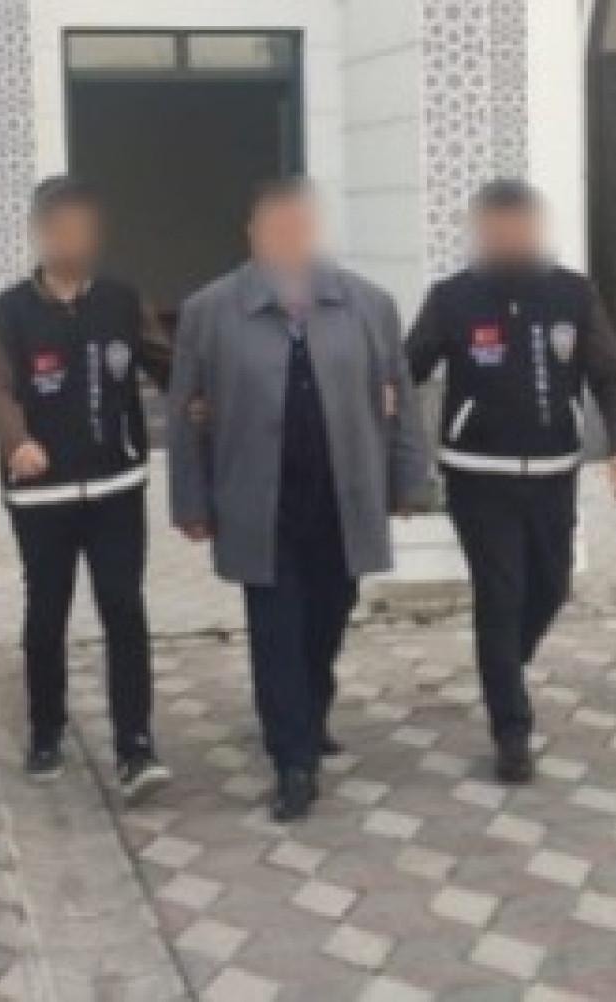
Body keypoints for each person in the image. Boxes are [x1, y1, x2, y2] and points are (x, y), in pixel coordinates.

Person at [170, 177, 429, 822]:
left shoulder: (368, 305)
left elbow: (401, 401)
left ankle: (310, 711)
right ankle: (292, 760)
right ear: (252, 234)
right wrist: (191, 500)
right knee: (275, 628)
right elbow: (184, 414)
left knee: (328, 616)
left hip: (343, 494)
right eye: (275, 226)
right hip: (260, 500)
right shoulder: (210, 310)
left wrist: (408, 480)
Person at [407, 178, 616, 784]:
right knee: (501, 594)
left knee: (551, 587)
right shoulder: (452, 299)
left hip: (552, 475)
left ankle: (502, 666)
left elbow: (612, 377)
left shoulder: (572, 294)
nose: (510, 236)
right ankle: (511, 732)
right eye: (499, 227)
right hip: (477, 477)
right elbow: (407, 370)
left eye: (521, 225)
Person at [0, 175, 173, 803]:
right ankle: (46, 729)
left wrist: (205, 402)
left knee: (124, 609)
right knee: (47, 612)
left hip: (117, 486)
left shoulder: (121, 300)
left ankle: (135, 747)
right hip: (43, 497)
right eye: (61, 228)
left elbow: (166, 364)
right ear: (40, 234)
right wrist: (17, 442)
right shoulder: (9, 312)